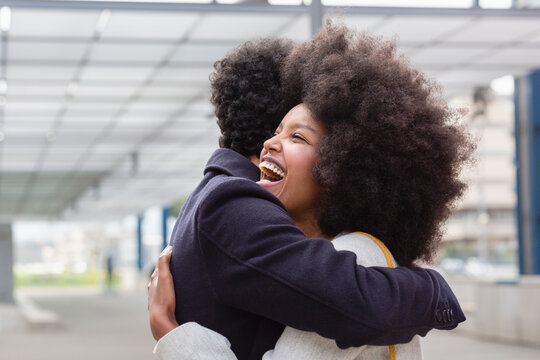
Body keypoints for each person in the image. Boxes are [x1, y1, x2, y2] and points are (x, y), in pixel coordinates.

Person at [149, 30, 467, 360]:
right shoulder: (231, 205)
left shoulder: (356, 251)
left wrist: (173, 337)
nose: (272, 144)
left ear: (337, 162)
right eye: (276, 132)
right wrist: (436, 291)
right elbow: (359, 305)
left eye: (297, 137)